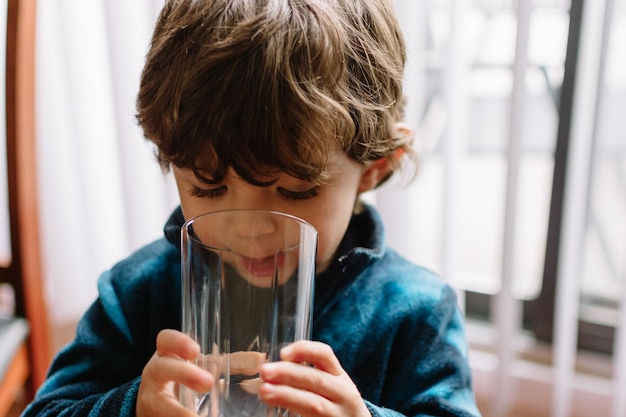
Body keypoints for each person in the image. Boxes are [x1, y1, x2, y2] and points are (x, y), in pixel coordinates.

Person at [23, 0, 482, 416]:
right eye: (207, 187)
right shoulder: (136, 293)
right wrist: (132, 407)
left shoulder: (415, 312)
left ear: (373, 169)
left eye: (296, 192)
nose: (250, 230)